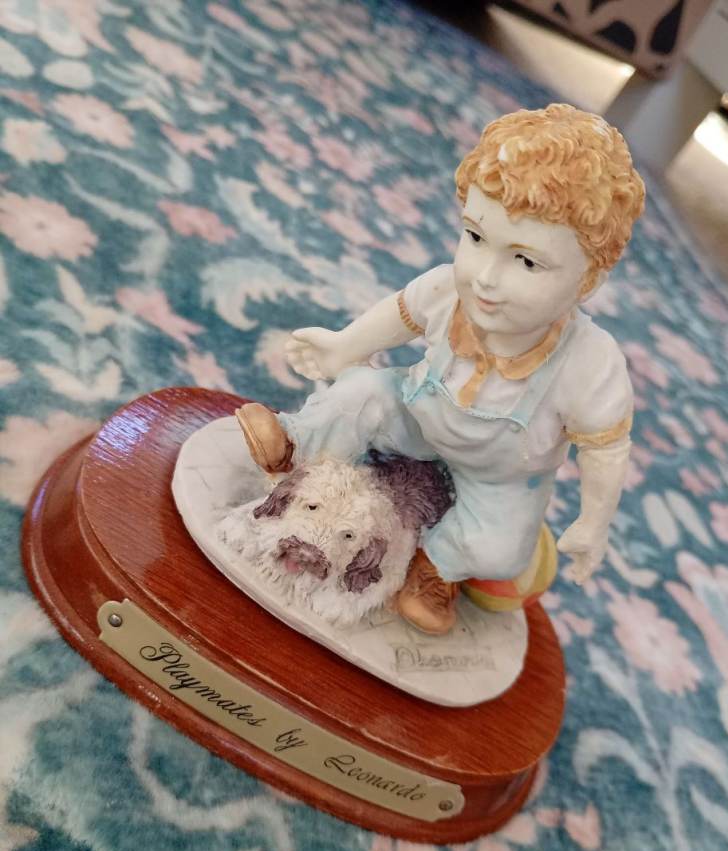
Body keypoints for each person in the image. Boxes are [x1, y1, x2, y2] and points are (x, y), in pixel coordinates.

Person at [236, 104, 645, 635]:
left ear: (589, 279)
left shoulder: (590, 364)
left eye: (526, 261)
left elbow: (606, 450)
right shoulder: (449, 289)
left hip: (499, 476)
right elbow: (398, 315)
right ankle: (297, 443)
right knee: (362, 392)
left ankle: (435, 567)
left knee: (503, 549)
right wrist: (341, 347)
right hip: (417, 415)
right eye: (475, 237)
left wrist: (593, 523)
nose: (485, 277)